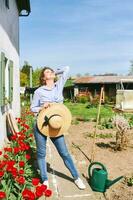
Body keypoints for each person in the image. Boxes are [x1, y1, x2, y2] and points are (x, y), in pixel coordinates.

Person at [30, 66, 86, 190]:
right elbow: (32, 108)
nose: (50, 73)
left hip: (56, 124)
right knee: (41, 153)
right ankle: (44, 179)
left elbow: (66, 69)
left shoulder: (59, 85)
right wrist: (41, 107)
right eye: (47, 73)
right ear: (43, 78)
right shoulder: (39, 91)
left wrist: (54, 71)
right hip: (41, 124)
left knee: (64, 153)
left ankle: (76, 177)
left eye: (51, 72)